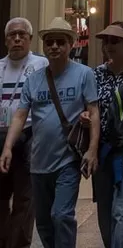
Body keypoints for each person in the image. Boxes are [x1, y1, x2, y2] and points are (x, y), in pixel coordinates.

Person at [0, 17, 100, 248]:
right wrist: (7, 147)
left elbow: (93, 111)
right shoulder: (33, 80)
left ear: (70, 45)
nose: (54, 46)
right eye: (50, 42)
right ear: (44, 46)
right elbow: (20, 115)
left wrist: (92, 150)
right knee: (43, 222)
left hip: (68, 159)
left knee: (62, 215)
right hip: (38, 162)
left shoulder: (84, 74)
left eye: (60, 42)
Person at [87, 22, 123, 248]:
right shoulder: (96, 74)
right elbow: (91, 107)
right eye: (106, 41)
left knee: (121, 209)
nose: (109, 46)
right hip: (101, 149)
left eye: (115, 41)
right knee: (104, 207)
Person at [0, 17, 48, 248]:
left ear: (29, 39)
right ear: (6, 40)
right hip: (0, 136)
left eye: (22, 35)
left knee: (25, 198)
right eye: (12, 35)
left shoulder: (42, 65)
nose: (17, 39)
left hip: (29, 135)